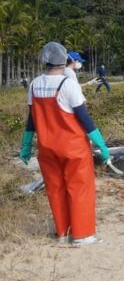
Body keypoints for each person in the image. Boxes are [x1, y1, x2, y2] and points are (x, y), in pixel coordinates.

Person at [19, 41, 111, 246]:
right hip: (73, 148)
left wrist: (26, 145)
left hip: (47, 149)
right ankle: (82, 235)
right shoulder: (67, 84)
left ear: (45, 61)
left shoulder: (34, 84)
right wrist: (102, 145)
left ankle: (63, 232)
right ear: (65, 60)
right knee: (80, 188)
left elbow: (32, 119)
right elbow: (84, 119)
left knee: (55, 189)